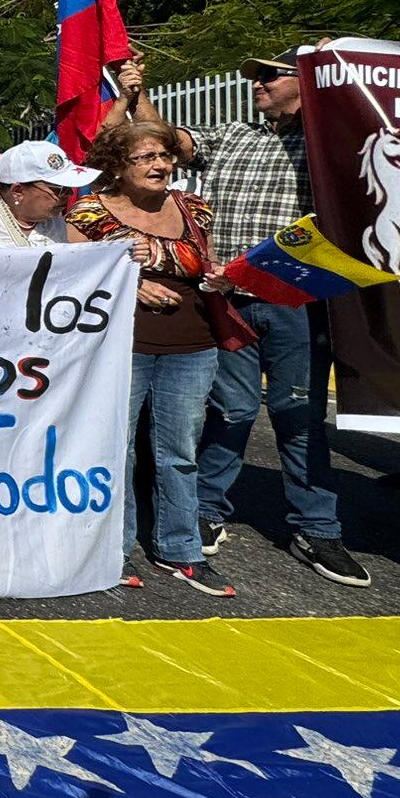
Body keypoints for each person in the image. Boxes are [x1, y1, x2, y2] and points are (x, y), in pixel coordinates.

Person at [189, 48, 369, 588]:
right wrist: (132, 94)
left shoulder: (332, 145)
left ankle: (317, 527)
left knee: (300, 415)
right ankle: (205, 509)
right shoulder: (234, 134)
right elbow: (168, 140)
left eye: (269, 76)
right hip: (228, 299)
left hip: (300, 305)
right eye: (256, 77)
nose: (258, 84)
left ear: (305, 83)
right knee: (232, 409)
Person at [70, 123, 232, 595]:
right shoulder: (89, 212)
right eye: (144, 158)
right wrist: (131, 284)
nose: (159, 165)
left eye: (163, 156)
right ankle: (109, 551)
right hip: (122, 346)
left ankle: (181, 550)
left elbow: (207, 264)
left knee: (179, 451)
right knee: (114, 448)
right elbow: (75, 279)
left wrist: (220, 279)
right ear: (118, 166)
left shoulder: (193, 208)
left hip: (192, 344)